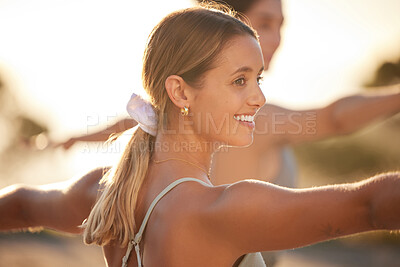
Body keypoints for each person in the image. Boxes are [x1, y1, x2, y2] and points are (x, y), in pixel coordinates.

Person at [1, 6, 400, 267]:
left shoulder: (104, 191)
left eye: (257, 80)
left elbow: (19, 205)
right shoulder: (223, 210)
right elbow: (370, 206)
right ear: (180, 92)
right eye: (240, 80)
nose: (259, 98)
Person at [53, 0, 400, 189]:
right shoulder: (259, 123)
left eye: (281, 26)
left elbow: (133, 122)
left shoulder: (170, 114)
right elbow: (334, 119)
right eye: (263, 24)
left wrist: (73, 139)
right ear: (226, 23)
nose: (277, 39)